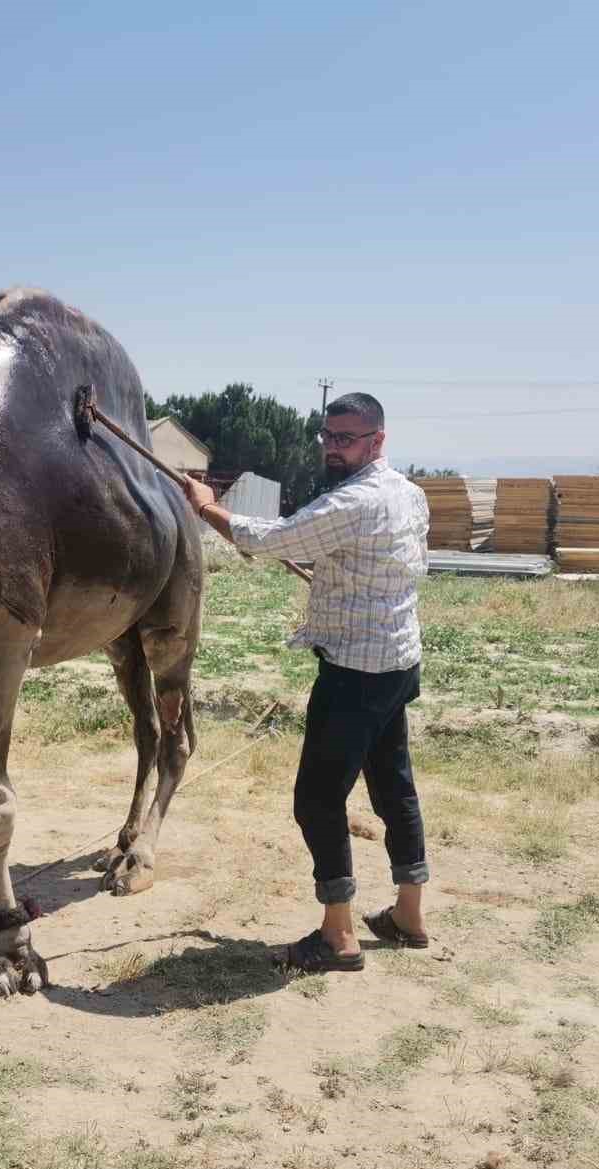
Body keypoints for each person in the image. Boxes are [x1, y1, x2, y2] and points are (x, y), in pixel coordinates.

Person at [180, 392, 431, 972]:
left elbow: (268, 539)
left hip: (356, 673)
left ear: (377, 441)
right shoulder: (409, 494)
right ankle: (409, 916)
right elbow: (381, 559)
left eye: (347, 438)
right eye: (327, 435)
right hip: (397, 660)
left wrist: (205, 506)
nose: (333, 448)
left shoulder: (355, 500)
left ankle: (338, 936)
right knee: (394, 786)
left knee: (317, 799)